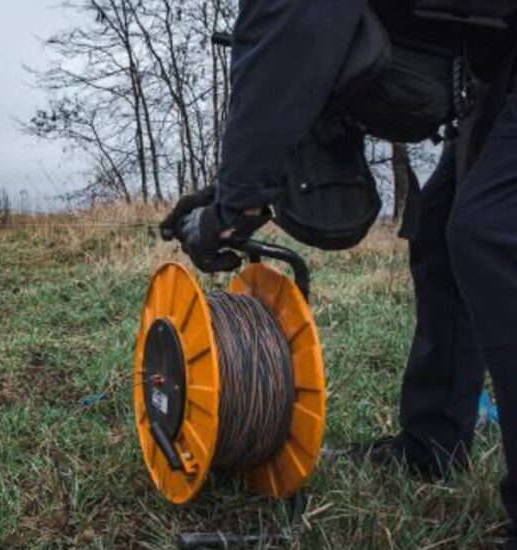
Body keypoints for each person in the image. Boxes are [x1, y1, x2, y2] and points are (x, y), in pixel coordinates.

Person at [159, 1, 517, 545]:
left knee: (491, 233)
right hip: (497, 67)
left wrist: (232, 212)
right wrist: (232, 194)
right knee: (444, 229)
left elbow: (284, 49)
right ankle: (433, 447)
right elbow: (291, 75)